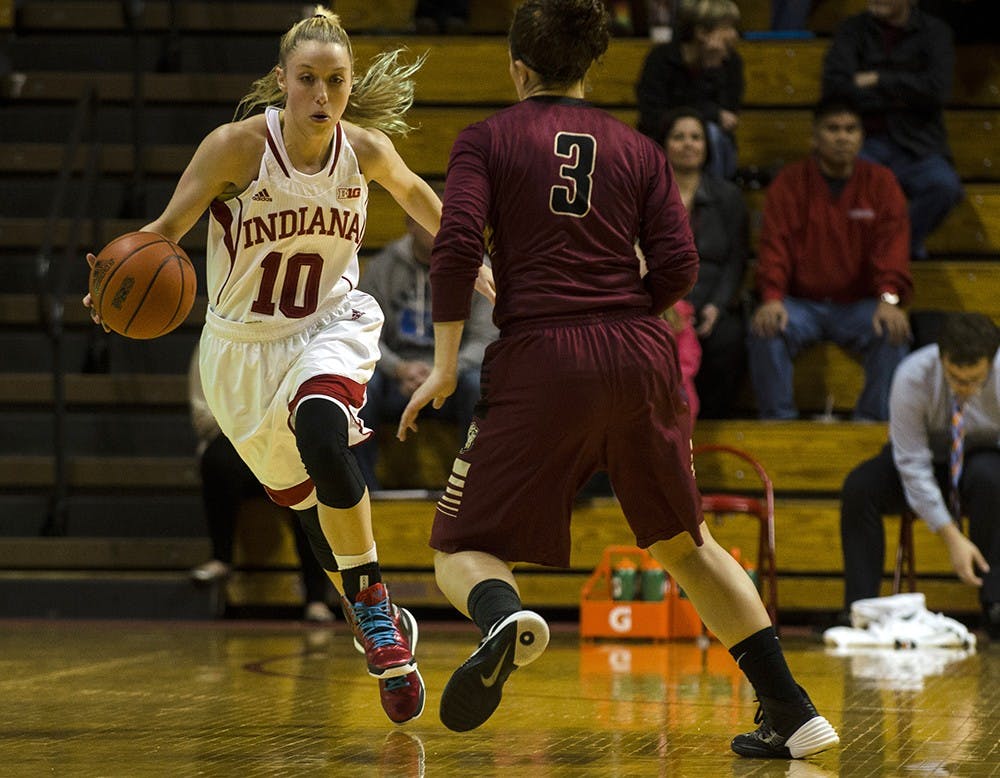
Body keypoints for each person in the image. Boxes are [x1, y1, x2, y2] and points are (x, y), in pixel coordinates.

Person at [399, 0, 839, 759]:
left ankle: (503, 617)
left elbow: (457, 245)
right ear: (590, 67)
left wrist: (444, 365)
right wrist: (622, 314)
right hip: (640, 353)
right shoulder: (639, 149)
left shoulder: (486, 141)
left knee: (460, 546)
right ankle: (792, 710)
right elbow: (681, 267)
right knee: (687, 544)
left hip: (542, 357)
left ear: (517, 65)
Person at [80, 6, 470, 725]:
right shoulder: (235, 148)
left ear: (349, 86)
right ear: (281, 84)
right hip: (239, 350)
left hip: (328, 325)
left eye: (336, 81)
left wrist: (470, 257)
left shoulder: (366, 151)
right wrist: (112, 284)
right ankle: (372, 614)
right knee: (308, 511)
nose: (322, 96)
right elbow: (162, 234)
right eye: (307, 80)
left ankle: (374, 607)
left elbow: (419, 195)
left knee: (324, 432)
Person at [747, 96, 913, 421]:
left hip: (858, 305)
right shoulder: (790, 183)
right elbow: (773, 246)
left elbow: (892, 248)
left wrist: (889, 299)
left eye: (850, 129)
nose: (842, 136)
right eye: (833, 128)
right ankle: (778, 424)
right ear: (815, 136)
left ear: (861, 137)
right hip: (800, 304)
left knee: (894, 331)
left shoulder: (881, 183)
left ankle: (871, 425)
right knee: (765, 329)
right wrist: (771, 297)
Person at [840, 312, 1000, 639]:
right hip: (924, 459)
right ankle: (860, 611)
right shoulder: (912, 375)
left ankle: (996, 606)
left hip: (980, 462)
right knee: (859, 487)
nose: (965, 389)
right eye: (956, 378)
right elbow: (911, 463)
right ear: (941, 359)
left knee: (991, 479)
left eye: (975, 381)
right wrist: (951, 536)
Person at [187, 344, 335, 623]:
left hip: (283, 439)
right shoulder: (212, 342)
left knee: (306, 469)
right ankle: (221, 558)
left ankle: (316, 597)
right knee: (216, 459)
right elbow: (202, 415)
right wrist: (250, 427)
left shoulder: (288, 337)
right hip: (235, 442)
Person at [355, 205, 497, 490]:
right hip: (398, 376)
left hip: (454, 375)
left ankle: (475, 490)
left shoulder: (478, 269)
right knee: (359, 387)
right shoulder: (383, 267)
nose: (438, 229)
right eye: (428, 219)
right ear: (410, 224)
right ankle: (364, 494)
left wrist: (443, 369)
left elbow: (485, 339)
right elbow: (363, 332)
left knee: (480, 385)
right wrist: (398, 368)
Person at [821, 0, 963, 260]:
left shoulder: (934, 32)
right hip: (865, 142)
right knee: (841, 185)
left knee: (945, 186)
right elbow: (835, 88)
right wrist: (905, 92)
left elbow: (937, 90)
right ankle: (893, 252)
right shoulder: (852, 30)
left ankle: (894, 249)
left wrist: (877, 79)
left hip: (917, 143)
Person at [661, 106, 748, 419]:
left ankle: (712, 420)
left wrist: (717, 306)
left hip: (710, 297)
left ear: (707, 146)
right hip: (662, 302)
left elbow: (736, 259)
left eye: (696, 137)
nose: (688, 144)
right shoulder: (647, 193)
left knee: (729, 337)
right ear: (665, 144)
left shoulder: (728, 197)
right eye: (679, 136)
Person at [636, 0, 743, 179]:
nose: (734, 34)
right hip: (662, 141)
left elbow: (729, 118)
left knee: (713, 135)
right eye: (727, 27)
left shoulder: (730, 63)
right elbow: (652, 116)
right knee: (690, 135)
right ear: (701, 32)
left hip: (711, 148)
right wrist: (711, 112)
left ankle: (713, 199)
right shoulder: (661, 59)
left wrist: (712, 69)